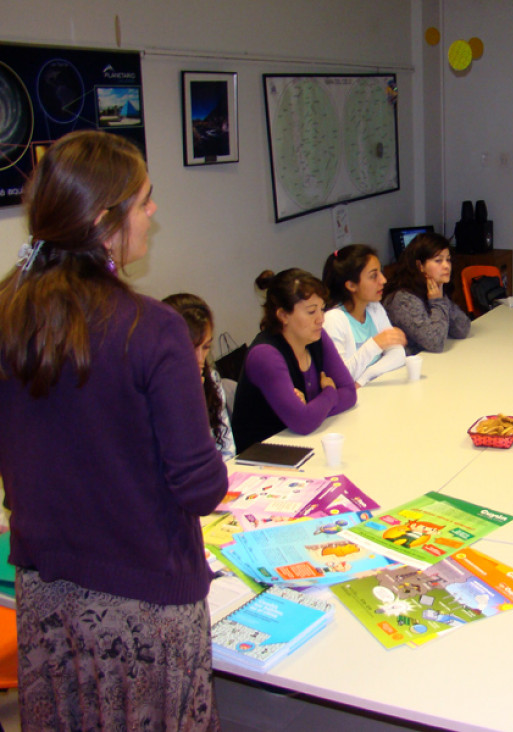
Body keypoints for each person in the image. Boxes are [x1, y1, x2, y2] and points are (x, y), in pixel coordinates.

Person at [0, 130, 228, 729]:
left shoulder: (7, 316)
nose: (153, 213)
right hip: (145, 605)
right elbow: (199, 487)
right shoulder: (152, 330)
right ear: (106, 219)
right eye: (145, 200)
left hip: (46, 600)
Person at [232, 268, 356, 452]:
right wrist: (329, 391)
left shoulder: (316, 337)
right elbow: (303, 422)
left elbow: (349, 392)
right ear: (283, 315)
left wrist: (312, 409)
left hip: (303, 444)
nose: (320, 319)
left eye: (322, 309)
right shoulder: (265, 355)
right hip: (264, 457)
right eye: (311, 311)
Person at [163, 293, 236, 459]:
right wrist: (190, 399)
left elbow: (226, 450)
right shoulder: (152, 392)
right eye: (190, 348)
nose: (200, 359)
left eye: (205, 347)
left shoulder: (211, 379)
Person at [322, 244, 406, 386]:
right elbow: (341, 378)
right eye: (374, 276)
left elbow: (398, 354)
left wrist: (364, 378)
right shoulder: (333, 320)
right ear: (351, 286)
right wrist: (375, 344)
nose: (383, 280)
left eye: (380, 272)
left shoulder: (374, 308)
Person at [382, 233, 470, 354]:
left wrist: (442, 298)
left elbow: (463, 329)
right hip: (406, 366)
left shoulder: (432, 290)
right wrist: (438, 302)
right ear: (420, 266)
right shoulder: (403, 299)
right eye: (438, 260)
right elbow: (435, 343)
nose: (446, 266)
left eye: (448, 259)